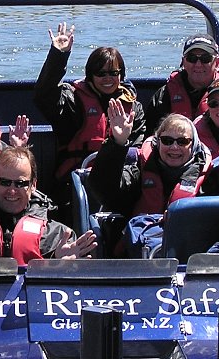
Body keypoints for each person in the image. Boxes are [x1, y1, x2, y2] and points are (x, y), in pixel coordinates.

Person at [33, 22, 146, 217]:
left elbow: (137, 151)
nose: (107, 78)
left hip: (117, 183)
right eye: (101, 73)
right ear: (90, 75)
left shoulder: (133, 107)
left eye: (113, 73)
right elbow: (43, 95)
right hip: (74, 182)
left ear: (121, 75)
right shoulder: (72, 99)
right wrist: (58, 56)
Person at [88, 105, 211, 218]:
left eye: (182, 141)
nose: (174, 147)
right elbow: (105, 193)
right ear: (158, 143)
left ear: (194, 146)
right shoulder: (140, 168)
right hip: (142, 237)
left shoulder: (209, 178)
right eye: (167, 140)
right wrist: (117, 142)